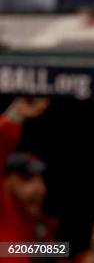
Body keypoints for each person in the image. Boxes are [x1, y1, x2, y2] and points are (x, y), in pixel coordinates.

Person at [0, 98, 53, 261]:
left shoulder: (42, 229)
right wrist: (15, 115)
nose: (38, 188)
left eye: (39, 179)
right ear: (6, 182)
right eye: (27, 178)